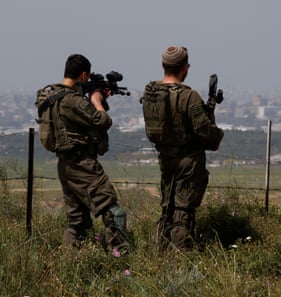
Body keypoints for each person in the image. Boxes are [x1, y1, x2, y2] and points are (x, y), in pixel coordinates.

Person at [141, 46, 224, 252]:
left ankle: (160, 252)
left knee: (167, 208)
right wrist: (216, 136)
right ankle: (181, 257)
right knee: (183, 210)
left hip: (165, 158)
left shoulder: (151, 92)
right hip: (189, 160)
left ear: (163, 65)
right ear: (185, 68)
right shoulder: (189, 97)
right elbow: (204, 130)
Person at [48, 54, 128, 254]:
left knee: (78, 221)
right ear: (84, 75)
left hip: (65, 165)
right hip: (83, 165)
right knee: (113, 212)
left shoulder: (52, 96)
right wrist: (97, 100)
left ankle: (70, 263)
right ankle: (121, 259)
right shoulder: (71, 100)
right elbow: (102, 121)